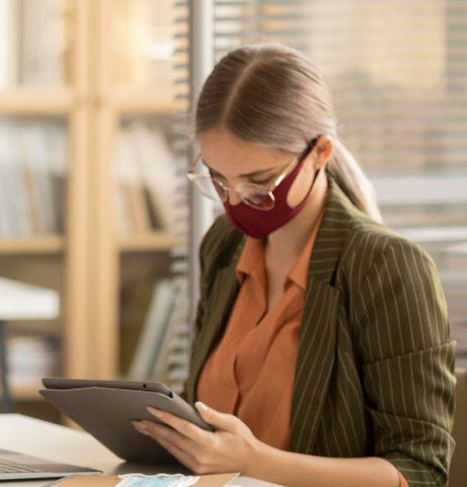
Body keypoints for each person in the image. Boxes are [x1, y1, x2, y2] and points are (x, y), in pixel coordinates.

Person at [132, 44, 454, 487]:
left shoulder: (387, 266)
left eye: (260, 181)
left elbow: (420, 471)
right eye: (219, 179)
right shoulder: (224, 246)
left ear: (320, 152)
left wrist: (256, 461)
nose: (237, 200)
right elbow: (206, 413)